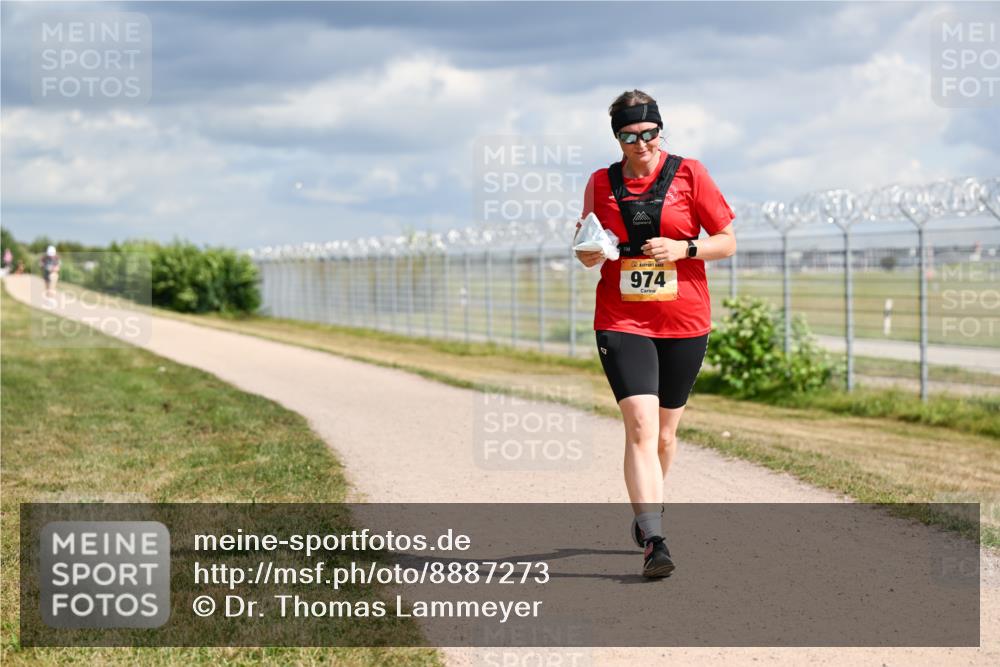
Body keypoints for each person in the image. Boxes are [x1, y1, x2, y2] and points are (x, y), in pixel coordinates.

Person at [575, 90, 736, 578]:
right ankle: (656, 540)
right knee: (640, 427)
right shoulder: (600, 182)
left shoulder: (691, 173)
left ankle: (648, 512)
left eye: (648, 133)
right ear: (617, 138)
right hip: (621, 318)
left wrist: (684, 249)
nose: (641, 143)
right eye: (629, 135)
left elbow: (727, 242)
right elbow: (586, 241)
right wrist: (587, 254)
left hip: (684, 319)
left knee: (666, 435)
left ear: (659, 131)